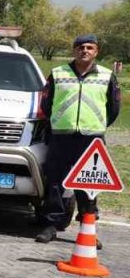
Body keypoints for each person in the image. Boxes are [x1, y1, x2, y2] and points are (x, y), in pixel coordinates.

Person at [36, 34, 121, 244]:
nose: (85, 51)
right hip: (62, 137)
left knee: (89, 184)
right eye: (81, 47)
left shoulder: (107, 75)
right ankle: (51, 225)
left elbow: (114, 108)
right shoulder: (57, 73)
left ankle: (88, 227)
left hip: (92, 139)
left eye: (90, 47)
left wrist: (96, 125)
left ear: (96, 51)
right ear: (74, 50)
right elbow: (46, 104)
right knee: (55, 182)